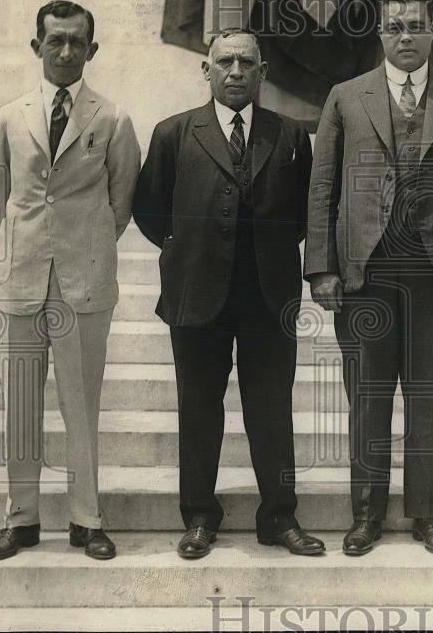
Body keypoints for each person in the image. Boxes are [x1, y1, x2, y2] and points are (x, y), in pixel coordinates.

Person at [305, 0, 433, 557]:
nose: (406, 35)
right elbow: (323, 188)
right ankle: (365, 514)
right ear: (381, 33)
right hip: (366, 270)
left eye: (416, 25)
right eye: (395, 27)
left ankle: (426, 515)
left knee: (429, 395)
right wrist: (322, 268)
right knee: (367, 394)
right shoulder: (345, 97)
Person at [132, 29, 322, 559]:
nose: (235, 71)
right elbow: (150, 210)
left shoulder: (288, 135)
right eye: (224, 61)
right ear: (206, 69)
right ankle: (198, 517)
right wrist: (188, 249)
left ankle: (279, 518)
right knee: (197, 408)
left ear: (263, 73)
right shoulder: (173, 133)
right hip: (197, 292)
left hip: (268, 293)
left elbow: (305, 210)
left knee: (271, 408)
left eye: (246, 62)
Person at [0, 0, 141, 561]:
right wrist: (31, 250)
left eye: (77, 42)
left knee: (82, 402)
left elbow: (120, 205)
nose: (66, 51)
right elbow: (0, 200)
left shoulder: (113, 119)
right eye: (56, 41)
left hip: (84, 283)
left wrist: (82, 248)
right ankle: (21, 519)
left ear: (92, 50)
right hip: (23, 277)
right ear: (36, 47)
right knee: (20, 403)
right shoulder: (8, 116)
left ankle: (86, 518)